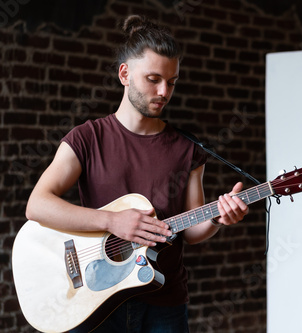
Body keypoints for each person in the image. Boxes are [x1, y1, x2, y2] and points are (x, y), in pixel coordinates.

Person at [25, 15, 249, 332]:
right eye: (153, 79)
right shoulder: (86, 139)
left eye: (171, 82)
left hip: (164, 302)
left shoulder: (189, 148)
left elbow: (192, 230)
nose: (163, 91)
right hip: (94, 299)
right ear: (125, 74)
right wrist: (112, 221)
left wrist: (217, 217)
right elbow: (37, 205)